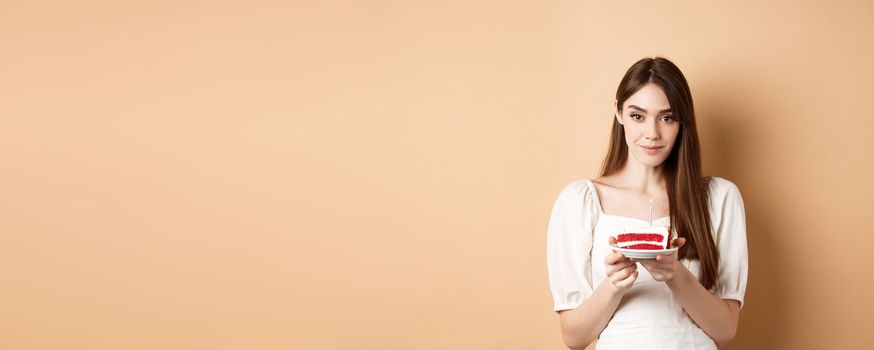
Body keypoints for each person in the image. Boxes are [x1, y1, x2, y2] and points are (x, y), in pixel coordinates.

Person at [546, 57, 748, 350]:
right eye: (638, 116)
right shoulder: (579, 201)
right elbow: (574, 337)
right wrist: (614, 284)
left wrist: (675, 274)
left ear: (682, 122)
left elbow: (725, 330)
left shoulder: (719, 198)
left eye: (666, 118)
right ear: (619, 113)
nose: (652, 133)